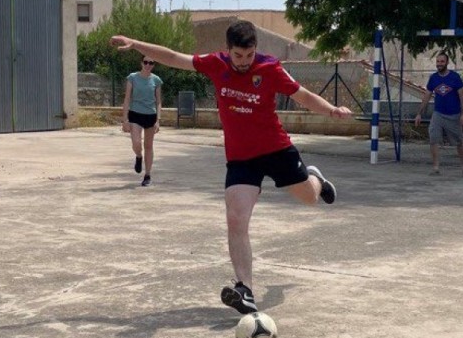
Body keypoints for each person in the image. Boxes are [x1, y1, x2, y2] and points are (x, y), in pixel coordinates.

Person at [110, 21, 352, 315]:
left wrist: (332, 110)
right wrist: (136, 43)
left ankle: (316, 178)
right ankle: (245, 289)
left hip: (276, 149)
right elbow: (174, 57)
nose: (243, 62)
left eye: (248, 56)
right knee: (236, 219)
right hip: (241, 158)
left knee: (310, 198)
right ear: (228, 50)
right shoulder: (215, 64)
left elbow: (301, 94)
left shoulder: (269, 68)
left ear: (255, 51)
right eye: (238, 56)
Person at [414, 52, 463, 176]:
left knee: (459, 142)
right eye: (438, 61)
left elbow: (462, 96)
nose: (439, 64)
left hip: (453, 115)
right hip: (438, 114)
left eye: (442, 61)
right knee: (433, 139)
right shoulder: (433, 78)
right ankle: (436, 168)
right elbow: (427, 96)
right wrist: (419, 113)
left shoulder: (455, 77)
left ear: (447, 63)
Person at [121, 55, 162, 187]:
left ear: (153, 65)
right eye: (146, 62)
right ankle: (138, 156)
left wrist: (158, 120)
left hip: (150, 115)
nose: (148, 65)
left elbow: (159, 102)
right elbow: (127, 98)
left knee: (149, 146)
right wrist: (125, 119)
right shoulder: (132, 78)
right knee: (136, 142)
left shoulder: (156, 80)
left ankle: (148, 175)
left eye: (151, 63)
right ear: (141, 63)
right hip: (135, 114)